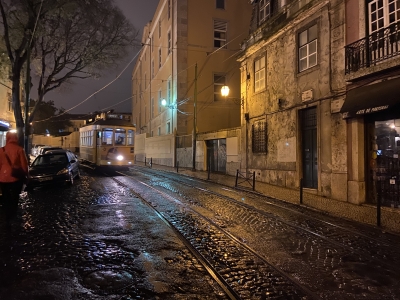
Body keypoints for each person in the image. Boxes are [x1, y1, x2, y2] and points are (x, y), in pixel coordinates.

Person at [0, 132, 29, 224]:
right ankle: (13, 214)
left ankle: (7, 215)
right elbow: (24, 165)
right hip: (16, 178)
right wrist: (26, 175)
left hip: (3, 178)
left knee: (6, 197)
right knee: (15, 197)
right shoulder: (20, 150)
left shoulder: (1, 150)